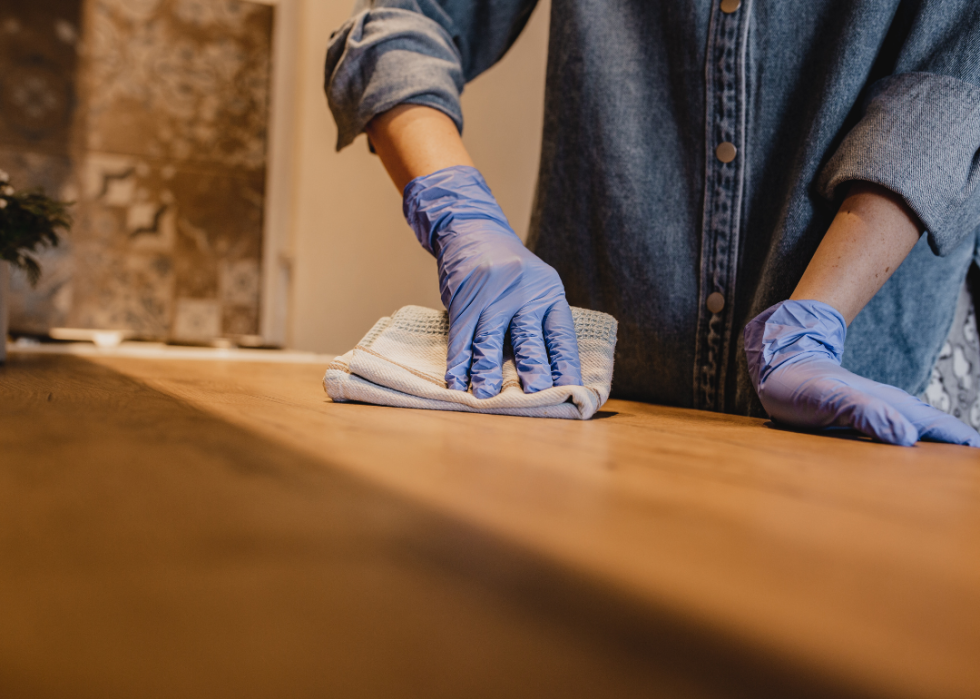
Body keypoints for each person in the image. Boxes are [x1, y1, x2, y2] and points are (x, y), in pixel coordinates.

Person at [325, 0, 980, 446]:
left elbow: (950, 92)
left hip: (861, 389)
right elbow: (402, 23)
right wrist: (457, 212)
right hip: (603, 415)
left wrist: (814, 320)